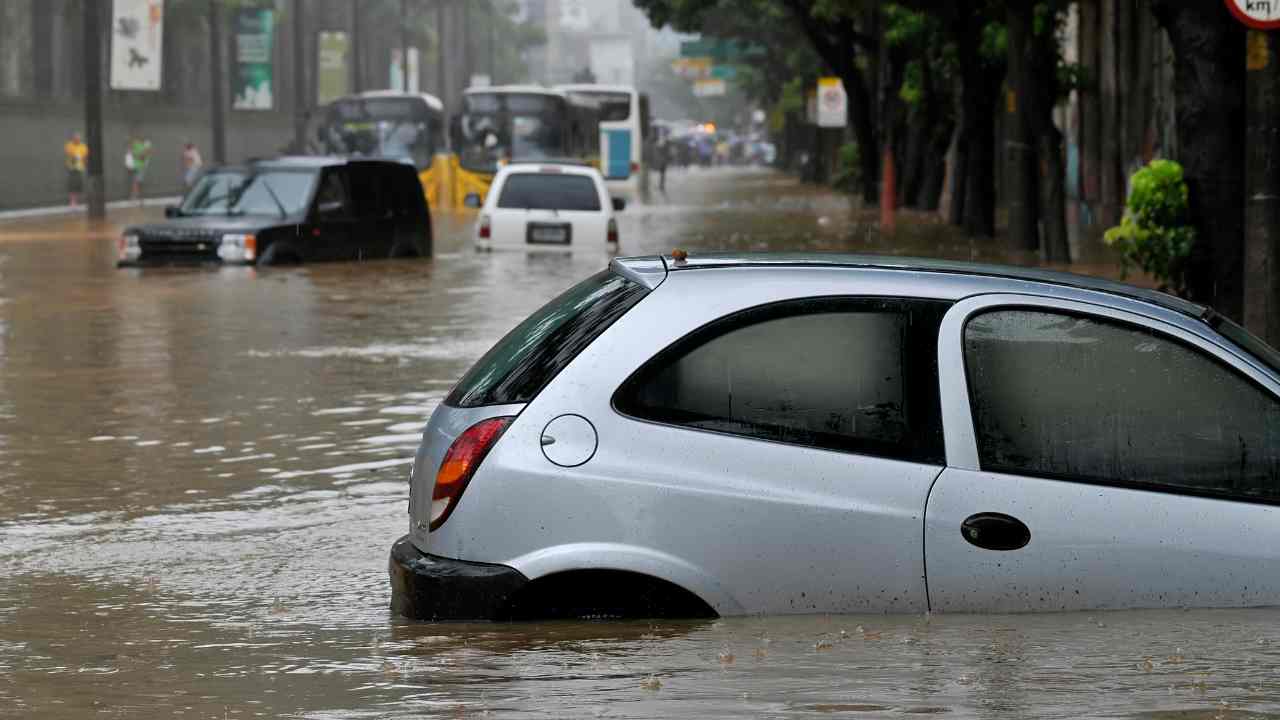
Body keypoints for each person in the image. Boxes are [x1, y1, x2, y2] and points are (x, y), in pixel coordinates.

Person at [125, 134, 152, 202]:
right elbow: (130, 148)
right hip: (135, 166)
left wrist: (135, 155)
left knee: (138, 182)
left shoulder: (146, 147)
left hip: (141, 167)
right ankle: (134, 196)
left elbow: (143, 157)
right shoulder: (137, 144)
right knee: (136, 181)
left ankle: (136, 196)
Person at [64, 132, 89, 207]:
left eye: (78, 138)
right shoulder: (69, 145)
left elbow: (85, 157)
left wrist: (85, 164)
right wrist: (75, 158)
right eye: (75, 138)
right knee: (72, 185)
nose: (77, 139)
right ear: (73, 139)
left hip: (80, 168)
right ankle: (72, 201)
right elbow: (69, 155)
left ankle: (77, 201)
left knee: (78, 185)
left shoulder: (83, 147)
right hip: (71, 168)